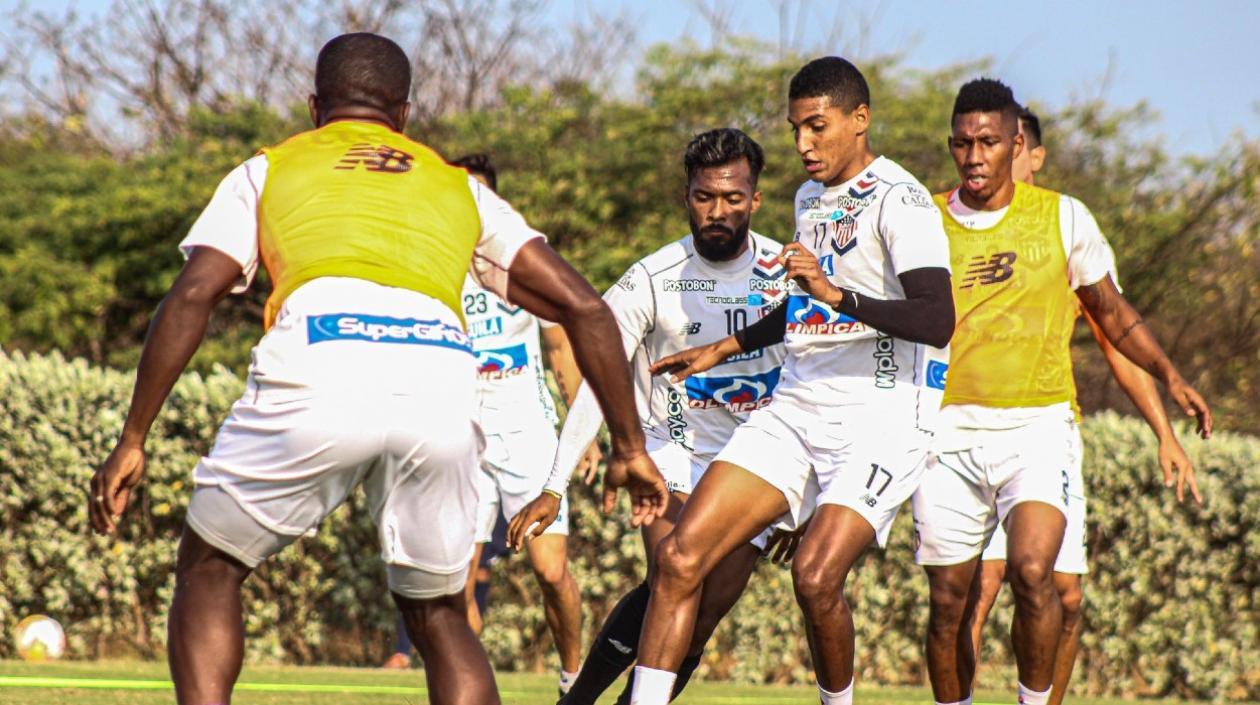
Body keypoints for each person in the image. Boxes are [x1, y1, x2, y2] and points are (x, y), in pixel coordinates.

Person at [87, 32, 667, 705]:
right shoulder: (458, 188)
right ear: (405, 116)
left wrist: (132, 440)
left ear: (314, 108)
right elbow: (587, 309)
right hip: (443, 382)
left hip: (320, 358)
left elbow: (192, 295)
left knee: (211, 567)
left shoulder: (270, 168)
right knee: (442, 612)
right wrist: (630, 446)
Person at [626, 56, 954, 705]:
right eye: (795, 128)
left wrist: (837, 293)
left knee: (814, 577)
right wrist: (724, 346)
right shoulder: (810, 197)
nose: (803, 144)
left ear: (859, 120)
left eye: (816, 126)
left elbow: (936, 318)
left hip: (882, 417)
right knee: (680, 556)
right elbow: (807, 305)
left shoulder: (902, 200)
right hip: (797, 404)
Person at [912, 78, 1211, 705]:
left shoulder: (1061, 216)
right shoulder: (924, 223)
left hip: (1038, 427)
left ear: (1014, 144)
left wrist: (1169, 374)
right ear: (950, 146)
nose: (974, 156)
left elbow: (1112, 316)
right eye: (963, 144)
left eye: (988, 142)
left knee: (1032, 571)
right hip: (946, 429)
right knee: (949, 602)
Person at [509, 127, 789, 705]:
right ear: (685, 196)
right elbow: (596, 378)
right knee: (672, 572)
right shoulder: (652, 277)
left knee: (702, 615)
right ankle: (576, 701)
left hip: (758, 464)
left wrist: (804, 494)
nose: (718, 211)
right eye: (704, 197)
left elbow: (817, 384)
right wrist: (554, 486)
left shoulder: (786, 275)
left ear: (754, 200)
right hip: (672, 455)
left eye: (732, 198)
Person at [454, 153, 592, 694]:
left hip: (527, 434)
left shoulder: (524, 264)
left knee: (551, 572)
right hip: (459, 437)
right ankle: (469, 689)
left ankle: (572, 679)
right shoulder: (432, 267)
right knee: (452, 585)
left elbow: (560, 348)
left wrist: (583, 435)